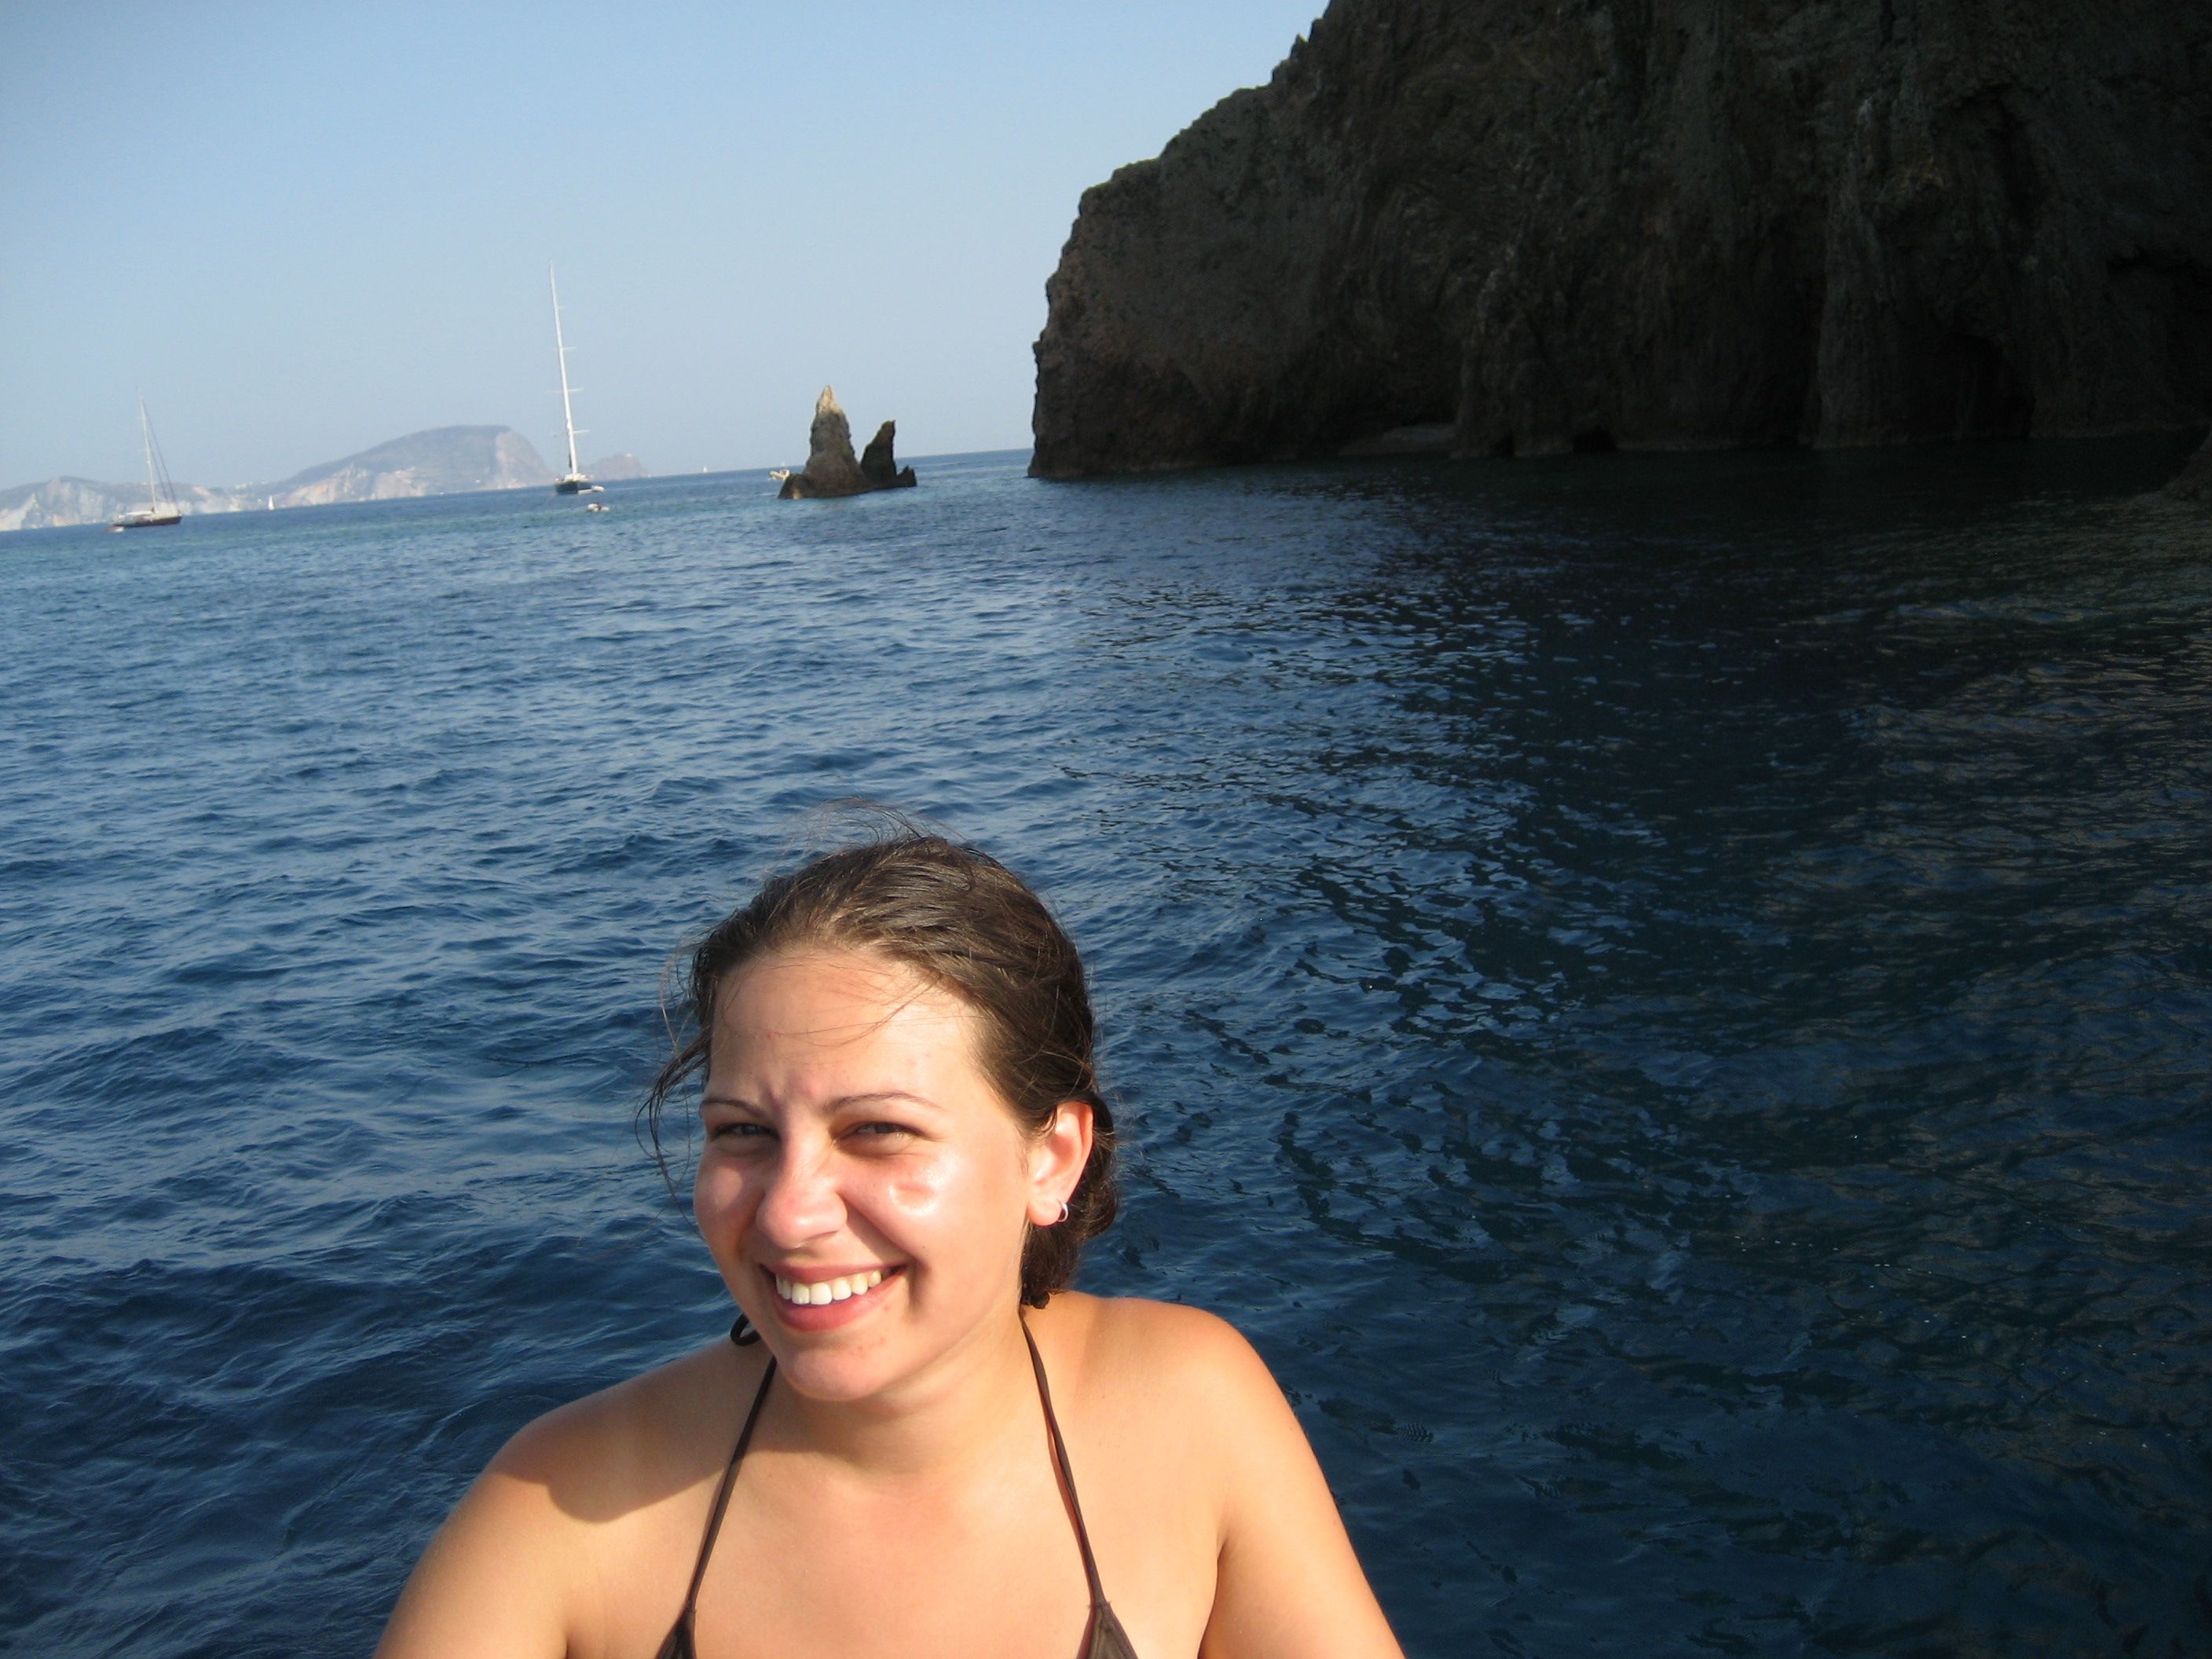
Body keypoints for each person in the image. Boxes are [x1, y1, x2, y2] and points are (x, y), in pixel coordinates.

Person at [376, 830, 1404, 1658]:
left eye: (877, 1130)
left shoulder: (1192, 1414)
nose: (787, 1215)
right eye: (743, 1133)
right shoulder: (559, 1510)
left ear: (1051, 1159)